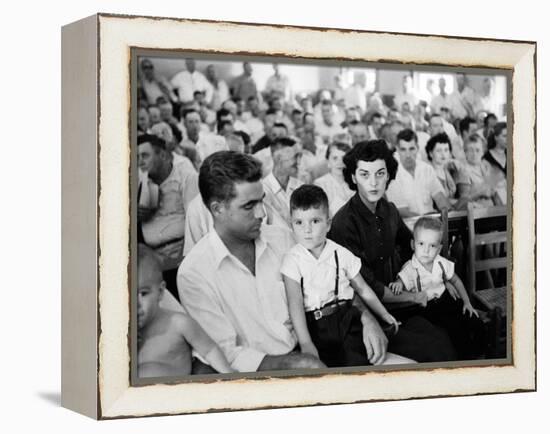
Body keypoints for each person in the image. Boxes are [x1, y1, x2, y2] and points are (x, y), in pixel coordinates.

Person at [177, 151, 326, 372]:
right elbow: (225, 353)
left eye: (262, 201)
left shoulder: (282, 238)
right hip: (257, 375)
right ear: (217, 209)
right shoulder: (194, 273)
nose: (261, 213)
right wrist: (296, 364)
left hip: (311, 347)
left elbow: (327, 280)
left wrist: (364, 318)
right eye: (249, 206)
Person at [328, 140, 456, 362]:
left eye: (380, 173)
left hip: (399, 299)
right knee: (437, 347)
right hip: (368, 314)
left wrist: (441, 276)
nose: (374, 182)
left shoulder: (389, 210)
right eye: (365, 174)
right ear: (352, 177)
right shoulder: (343, 223)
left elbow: (413, 250)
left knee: (450, 321)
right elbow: (368, 287)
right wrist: (414, 296)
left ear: (388, 175)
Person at [281, 185, 400, 367]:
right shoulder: (292, 260)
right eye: (299, 222)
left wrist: (383, 314)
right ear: (292, 225)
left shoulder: (340, 253)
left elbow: (362, 288)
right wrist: (306, 342)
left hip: (345, 319)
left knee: (359, 362)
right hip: (315, 327)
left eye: (315, 221)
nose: (307, 230)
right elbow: (294, 303)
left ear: (328, 224)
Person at [388, 217, 486, 359]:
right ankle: (466, 360)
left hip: (446, 299)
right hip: (427, 308)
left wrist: (467, 302)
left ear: (439, 249)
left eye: (432, 246)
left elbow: (456, 281)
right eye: (421, 244)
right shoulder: (410, 267)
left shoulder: (441, 263)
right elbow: (401, 280)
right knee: (454, 331)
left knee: (474, 321)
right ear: (413, 244)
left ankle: (481, 354)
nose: (426, 250)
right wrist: (398, 284)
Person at [137, 244, 234, 377]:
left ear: (160, 292)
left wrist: (228, 374)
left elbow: (209, 350)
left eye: (143, 293)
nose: (135, 304)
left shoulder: (178, 323)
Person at [137, 134, 199, 299]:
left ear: (162, 155)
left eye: (145, 155)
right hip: (153, 264)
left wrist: (182, 261)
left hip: (183, 262)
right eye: (136, 157)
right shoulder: (138, 184)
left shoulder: (186, 177)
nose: (140, 161)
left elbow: (195, 223)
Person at [386, 129, 450, 217]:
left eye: (411, 149)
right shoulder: (392, 174)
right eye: (403, 149)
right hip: (408, 226)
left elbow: (440, 197)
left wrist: (445, 212)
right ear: (397, 149)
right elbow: (402, 211)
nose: (408, 155)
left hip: (432, 222)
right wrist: (427, 220)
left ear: (417, 148)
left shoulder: (426, 169)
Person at [261, 137, 304, 226]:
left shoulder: (301, 187)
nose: (299, 162)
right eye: (295, 157)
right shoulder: (262, 190)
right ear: (278, 158)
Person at [425, 133, 471, 210]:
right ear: (430, 153)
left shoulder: (450, 168)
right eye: (439, 151)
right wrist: (461, 202)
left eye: (446, 150)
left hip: (453, 210)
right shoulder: (428, 172)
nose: (443, 154)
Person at [314, 142, 354, 216]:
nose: (340, 162)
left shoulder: (354, 183)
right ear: (328, 162)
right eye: (335, 158)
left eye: (343, 158)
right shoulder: (321, 184)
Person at [463, 134, 499, 208]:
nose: (474, 154)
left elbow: (495, 193)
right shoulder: (463, 170)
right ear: (465, 152)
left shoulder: (486, 167)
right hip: (476, 212)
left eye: (477, 150)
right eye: (470, 150)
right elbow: (463, 201)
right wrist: (481, 192)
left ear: (483, 152)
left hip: (492, 210)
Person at [483, 122, 507, 204]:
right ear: (496, 137)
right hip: (496, 198)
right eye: (504, 136)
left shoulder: (512, 155)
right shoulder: (487, 157)